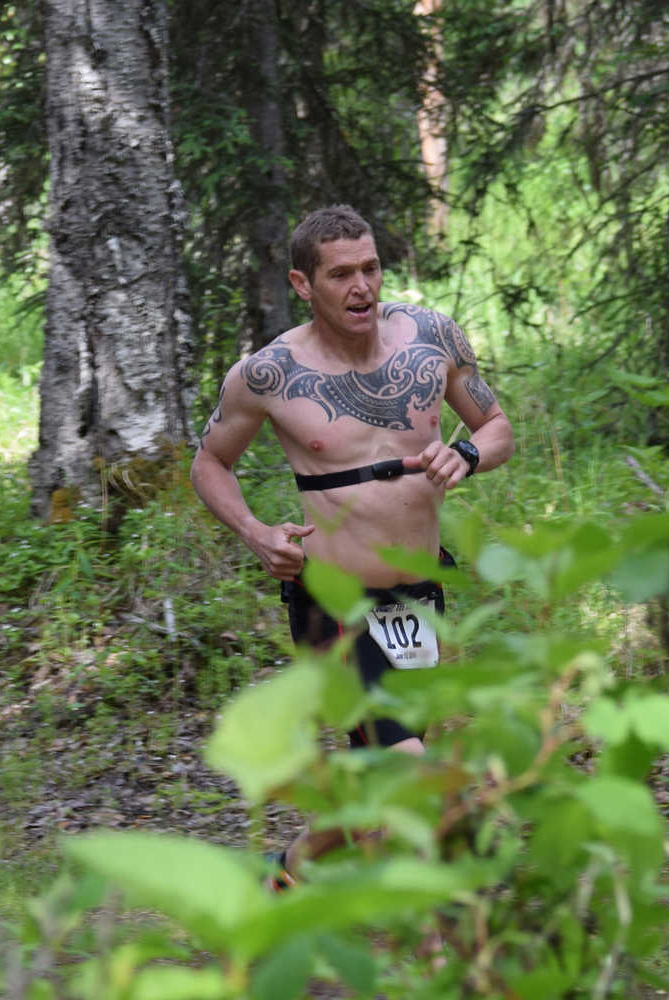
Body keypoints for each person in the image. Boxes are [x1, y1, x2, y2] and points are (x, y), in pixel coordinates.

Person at [190, 204, 514, 884]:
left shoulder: (432, 338)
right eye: (340, 275)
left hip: (422, 593)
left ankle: (284, 875)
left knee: (375, 776)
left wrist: (467, 454)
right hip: (331, 600)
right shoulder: (267, 374)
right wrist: (256, 532)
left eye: (369, 269)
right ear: (303, 284)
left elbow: (496, 428)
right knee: (410, 766)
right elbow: (207, 464)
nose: (361, 287)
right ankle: (474, 910)